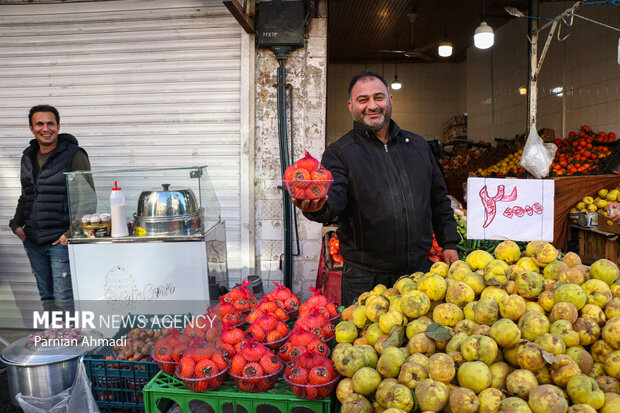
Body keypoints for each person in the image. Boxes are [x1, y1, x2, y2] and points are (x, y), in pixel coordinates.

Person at [293, 70, 460, 306]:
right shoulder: (340, 152)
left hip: (420, 272)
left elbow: (439, 200)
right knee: (362, 341)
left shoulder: (419, 147)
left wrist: (449, 243)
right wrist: (317, 207)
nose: (372, 105)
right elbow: (335, 200)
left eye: (378, 97)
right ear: (351, 106)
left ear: (390, 100)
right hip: (365, 278)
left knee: (420, 340)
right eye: (363, 100)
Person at [9, 105, 91, 312]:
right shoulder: (27, 157)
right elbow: (27, 193)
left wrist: (70, 234)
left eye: (50, 123)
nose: (45, 128)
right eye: (40, 124)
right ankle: (55, 339)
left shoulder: (74, 155)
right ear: (31, 128)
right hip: (33, 240)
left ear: (58, 126)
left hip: (59, 240)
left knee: (64, 298)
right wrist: (17, 224)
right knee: (47, 297)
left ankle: (70, 341)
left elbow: (87, 199)